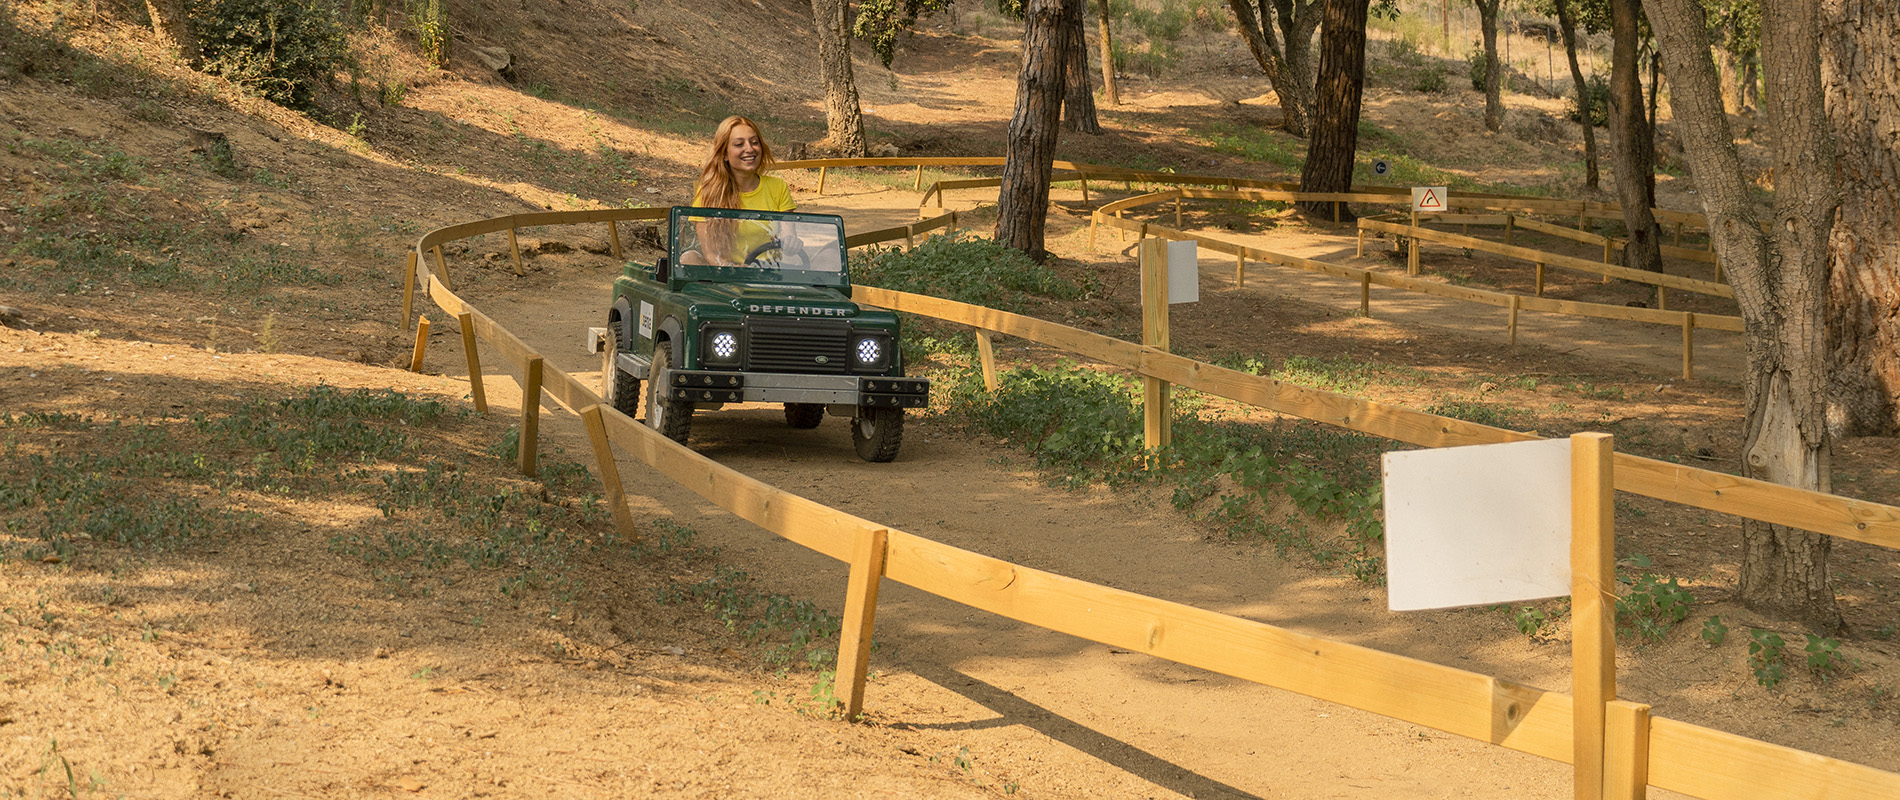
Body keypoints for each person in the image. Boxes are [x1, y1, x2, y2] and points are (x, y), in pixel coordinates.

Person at [684, 116, 796, 265]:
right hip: (728, 274)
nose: (749, 149)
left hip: (770, 272)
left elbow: (788, 235)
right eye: (739, 144)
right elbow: (710, 254)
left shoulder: (778, 187)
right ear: (724, 154)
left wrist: (791, 242)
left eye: (754, 142)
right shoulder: (708, 192)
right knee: (689, 258)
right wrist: (736, 270)